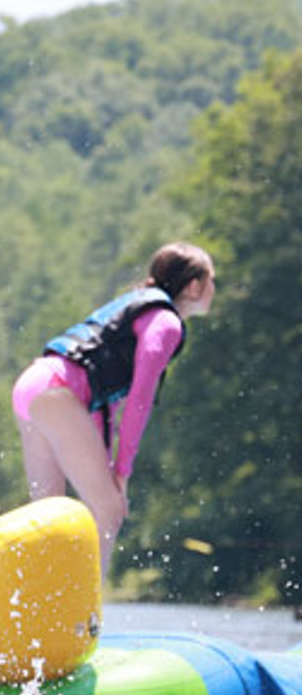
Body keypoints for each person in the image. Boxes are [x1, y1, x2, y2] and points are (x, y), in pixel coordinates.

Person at [12, 242, 216, 577]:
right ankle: (84, 606)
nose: (214, 289)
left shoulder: (138, 308)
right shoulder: (166, 322)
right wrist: (122, 472)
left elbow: (102, 405)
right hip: (57, 393)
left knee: (48, 516)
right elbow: (139, 400)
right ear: (194, 286)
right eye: (211, 281)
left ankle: (36, 595)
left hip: (32, 386)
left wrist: (109, 467)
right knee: (108, 510)